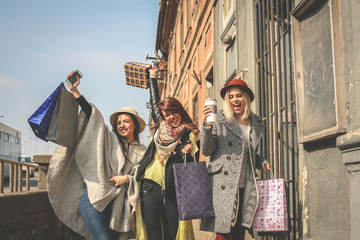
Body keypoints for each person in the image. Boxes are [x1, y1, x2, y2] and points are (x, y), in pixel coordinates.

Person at [47, 71, 147, 240]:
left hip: (118, 208)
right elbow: (94, 118)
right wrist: (76, 93)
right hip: (94, 200)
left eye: (126, 121)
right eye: (118, 122)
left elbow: (145, 176)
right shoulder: (110, 140)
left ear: (135, 125)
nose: (121, 125)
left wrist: (128, 179)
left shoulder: (143, 152)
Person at [200, 79, 271, 240]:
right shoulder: (219, 119)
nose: (234, 100)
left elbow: (250, 155)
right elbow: (207, 150)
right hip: (223, 185)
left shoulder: (255, 123)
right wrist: (207, 127)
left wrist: (262, 162)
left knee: (239, 232)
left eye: (238, 96)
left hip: (245, 185)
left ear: (245, 98)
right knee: (224, 233)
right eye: (231, 97)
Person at [135, 95, 200, 240]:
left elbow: (193, 164)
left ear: (179, 110)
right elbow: (154, 102)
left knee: (172, 235)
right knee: (154, 236)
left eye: (173, 112)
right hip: (150, 186)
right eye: (166, 115)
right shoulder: (160, 131)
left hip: (173, 191)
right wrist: (152, 75)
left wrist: (185, 152)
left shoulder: (192, 134)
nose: (171, 117)